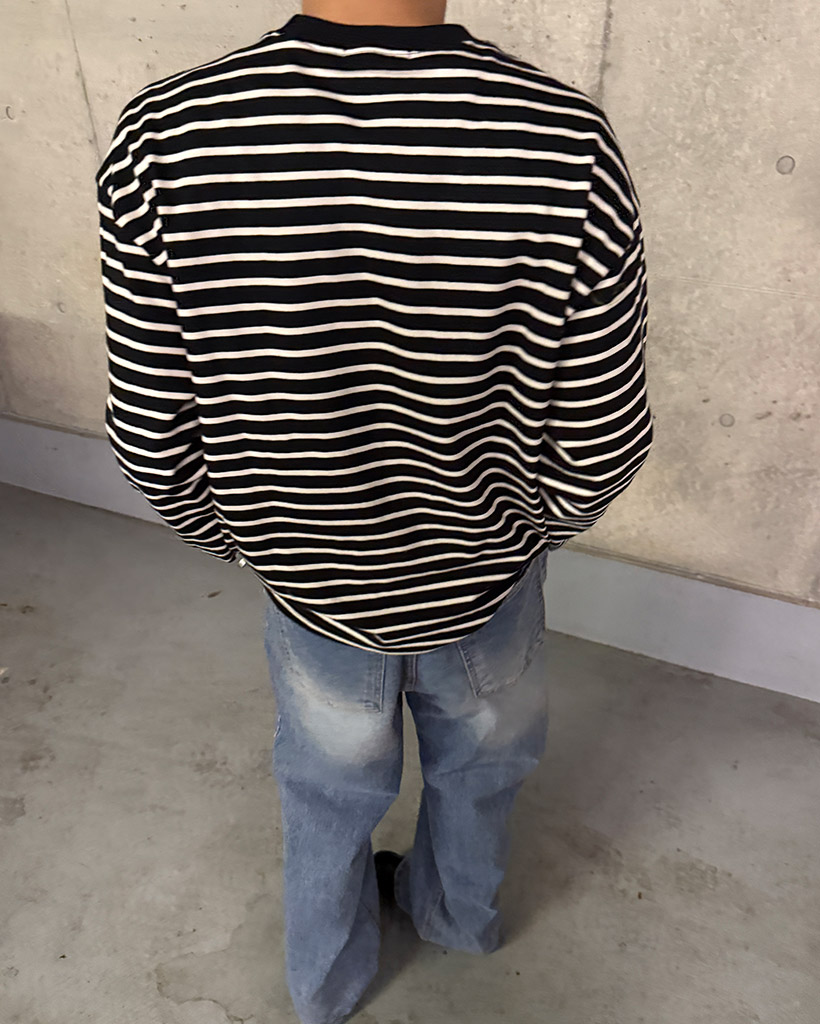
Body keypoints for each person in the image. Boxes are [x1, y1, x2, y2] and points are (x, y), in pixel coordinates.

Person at [96, 1, 654, 1021]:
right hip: (485, 582)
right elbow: (600, 445)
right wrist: (517, 536)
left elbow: (150, 440)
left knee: (326, 793)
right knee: (483, 770)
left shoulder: (165, 138)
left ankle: (326, 984)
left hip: (312, 588)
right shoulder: (565, 142)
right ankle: (457, 918)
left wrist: (259, 543)